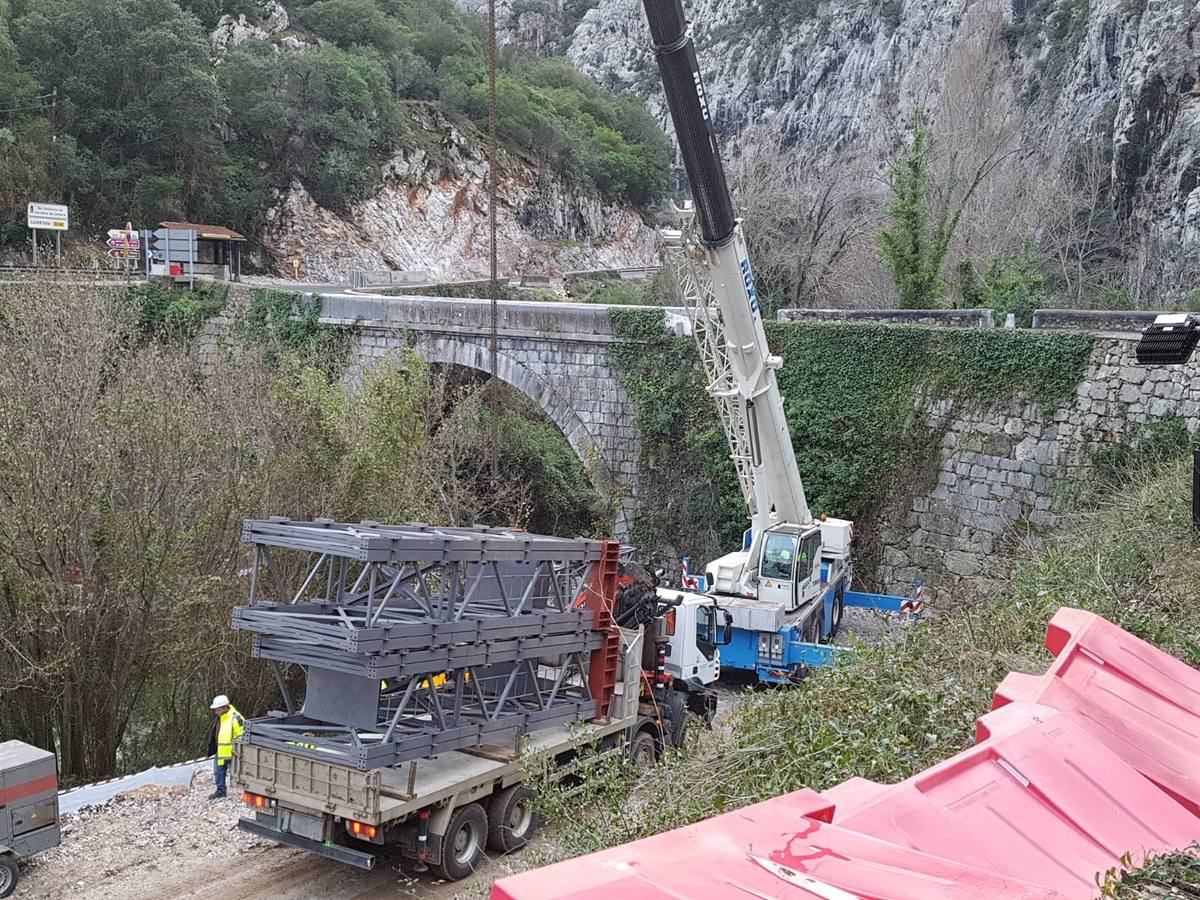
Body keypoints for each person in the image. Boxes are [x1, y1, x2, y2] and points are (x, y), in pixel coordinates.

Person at [207, 694, 245, 800]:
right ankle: (221, 791)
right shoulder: (220, 718)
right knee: (218, 772)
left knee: (238, 774)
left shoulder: (236, 718)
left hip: (233, 753)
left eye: (217, 710)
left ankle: (242, 794)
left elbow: (241, 736)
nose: (216, 712)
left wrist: (238, 751)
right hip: (221, 752)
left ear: (225, 707)